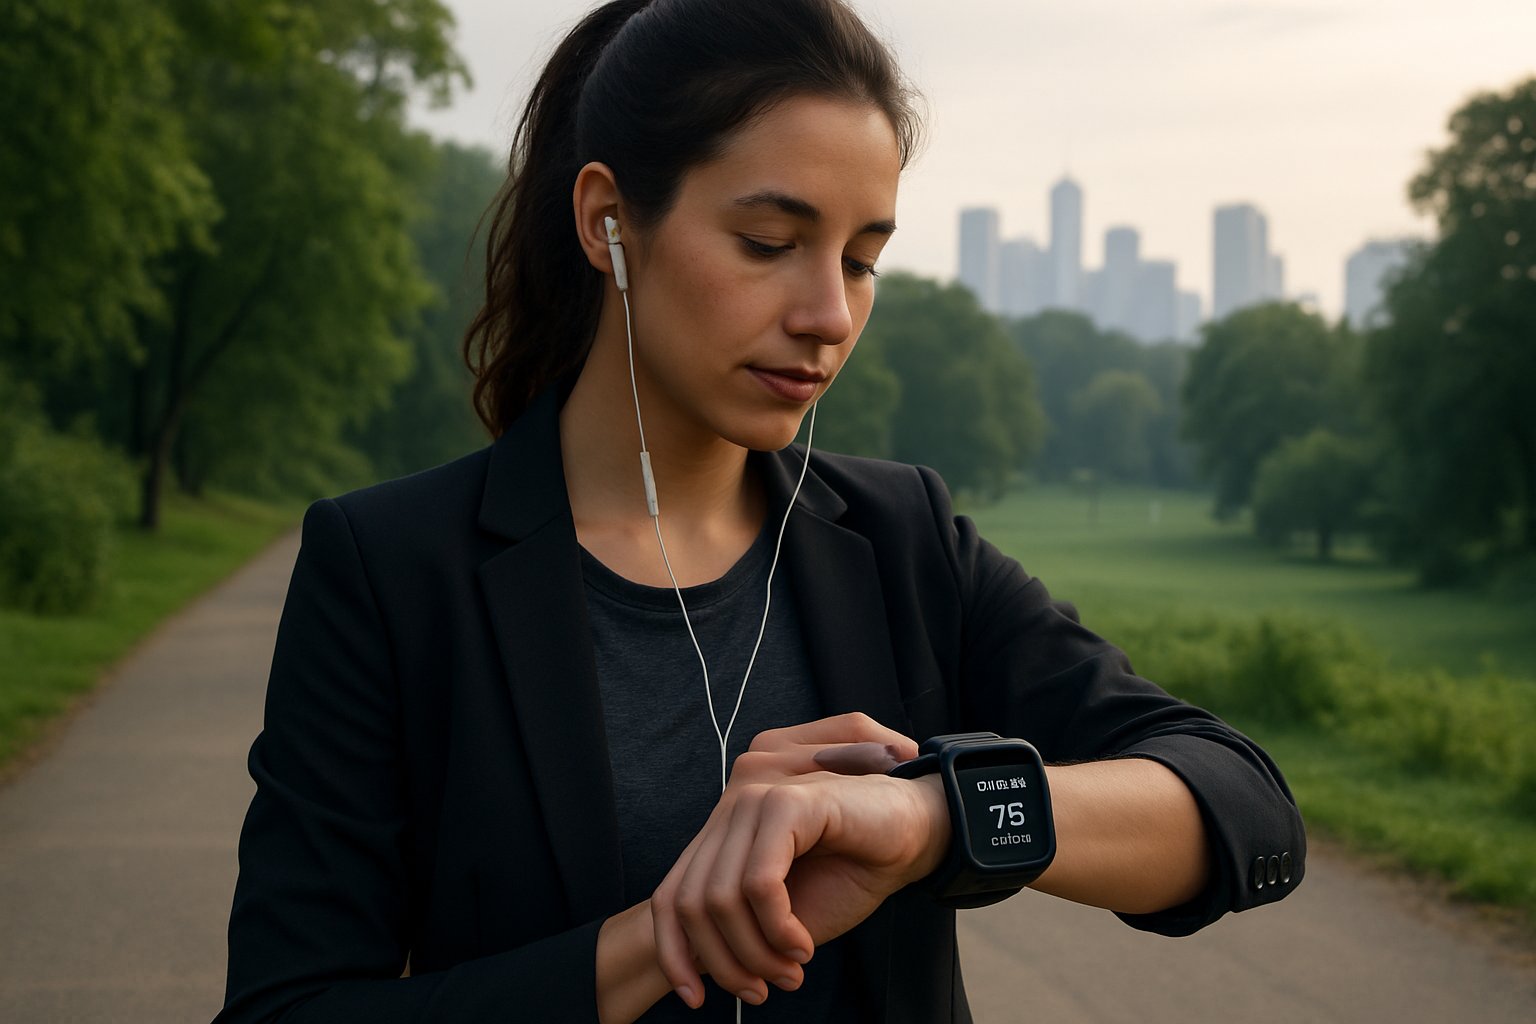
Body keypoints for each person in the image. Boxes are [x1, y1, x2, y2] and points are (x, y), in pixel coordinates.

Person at [214, 1, 1306, 1022]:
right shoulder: (390, 570)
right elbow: (289, 1006)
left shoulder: (901, 537)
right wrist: (662, 940)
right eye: (769, 244)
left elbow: (1240, 801)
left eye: (864, 258)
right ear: (608, 222)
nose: (830, 314)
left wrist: (926, 818)